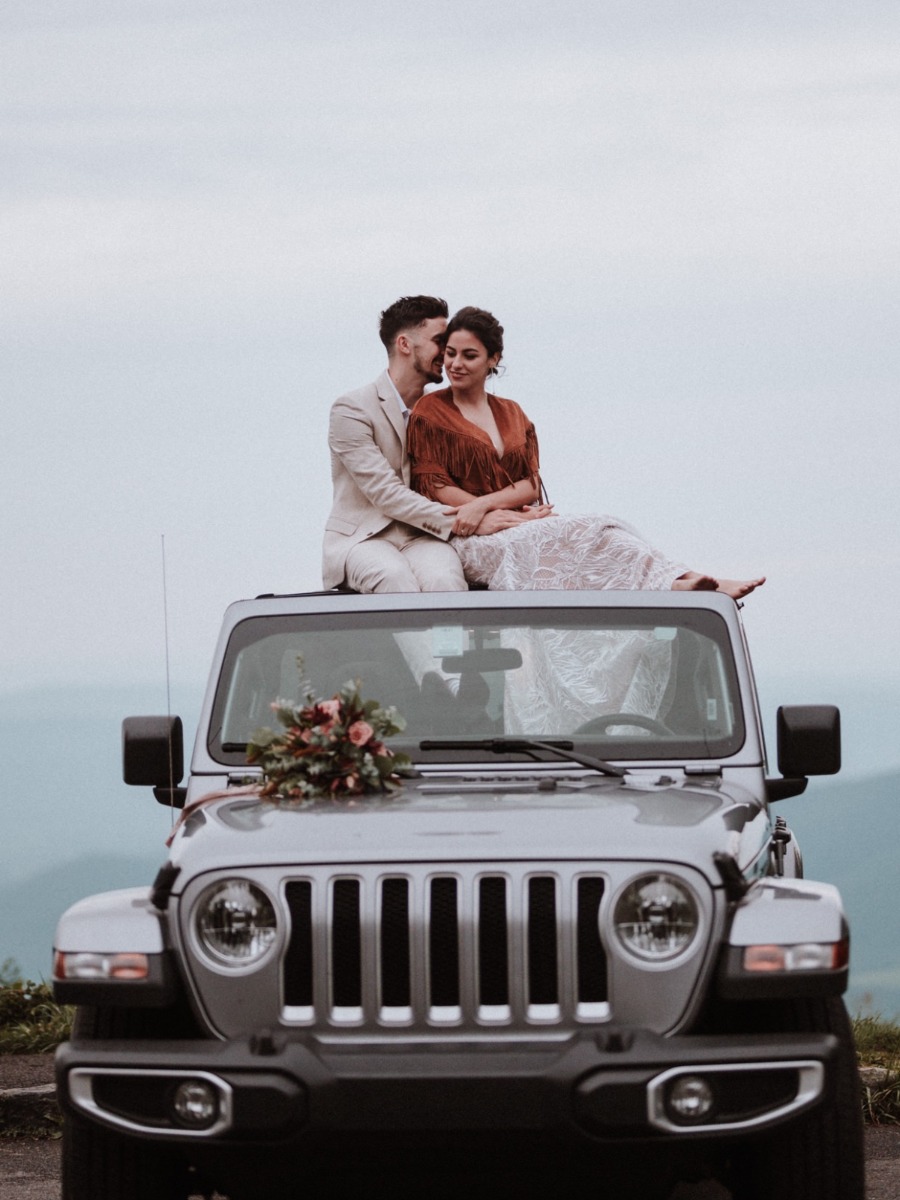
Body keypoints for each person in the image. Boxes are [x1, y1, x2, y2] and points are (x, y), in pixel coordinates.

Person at [407, 305, 765, 599]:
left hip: (523, 525)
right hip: (472, 536)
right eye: (451, 354)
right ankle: (673, 585)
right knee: (586, 529)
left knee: (607, 530)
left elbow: (530, 485)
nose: (456, 364)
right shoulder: (429, 412)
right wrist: (489, 515)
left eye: (470, 355)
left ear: (492, 359)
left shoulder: (512, 412)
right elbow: (434, 486)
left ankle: (688, 579)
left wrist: (501, 509)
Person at [322, 296, 551, 594]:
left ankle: (452, 644)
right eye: (440, 341)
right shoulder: (352, 409)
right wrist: (471, 520)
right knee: (393, 578)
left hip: (423, 536)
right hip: (366, 537)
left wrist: (506, 510)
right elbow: (386, 493)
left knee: (446, 581)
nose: (447, 354)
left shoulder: (444, 410)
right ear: (405, 345)